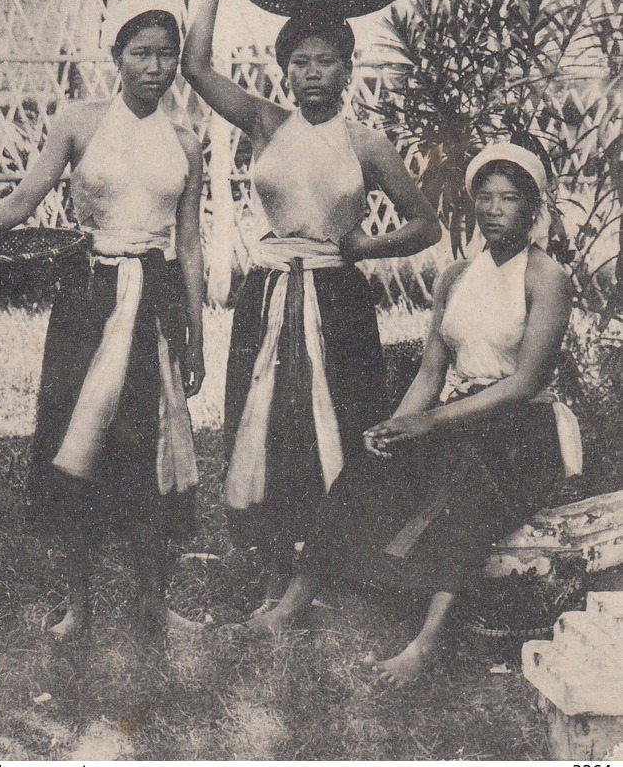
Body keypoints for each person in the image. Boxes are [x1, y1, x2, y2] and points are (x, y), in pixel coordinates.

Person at [242, 142, 582, 686]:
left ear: (533, 207)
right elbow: (430, 373)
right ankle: (290, 605)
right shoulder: (455, 276)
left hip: (523, 428)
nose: (494, 209)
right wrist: (393, 426)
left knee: (468, 487)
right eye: (485, 197)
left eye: (510, 199)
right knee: (369, 458)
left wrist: (429, 423)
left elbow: (525, 383)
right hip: (459, 414)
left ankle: (424, 645)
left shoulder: (546, 278)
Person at [0, 0, 205, 642]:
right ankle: (79, 605)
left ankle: (153, 606)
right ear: (116, 57)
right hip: (89, 295)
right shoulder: (79, 122)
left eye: (167, 54)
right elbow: (25, 200)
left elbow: (190, 247)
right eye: (142, 53)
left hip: (156, 301)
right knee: (77, 443)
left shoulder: (187, 139)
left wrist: (196, 336)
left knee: (151, 452)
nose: (155, 67)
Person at [182, 0, 441, 612]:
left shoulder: (366, 143)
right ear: (284, 70)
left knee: (338, 425)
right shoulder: (265, 123)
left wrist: (364, 247)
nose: (313, 73)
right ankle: (275, 571)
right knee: (264, 426)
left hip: (336, 296)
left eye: (327, 61)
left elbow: (426, 224)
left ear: (347, 70)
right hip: (266, 293)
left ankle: (321, 575)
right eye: (300, 62)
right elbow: (197, 66)